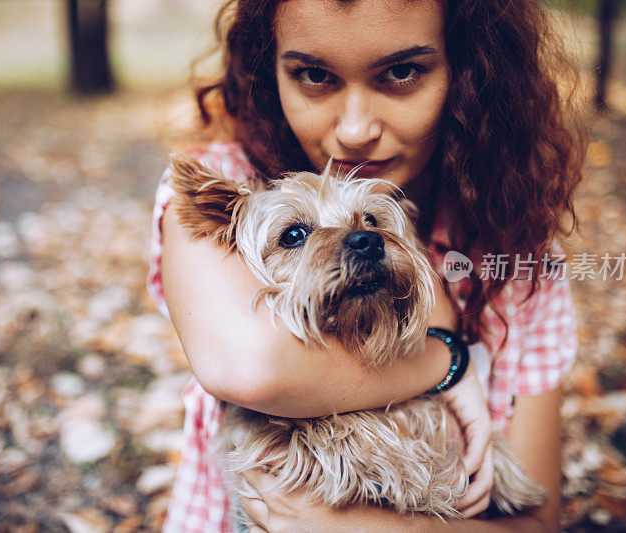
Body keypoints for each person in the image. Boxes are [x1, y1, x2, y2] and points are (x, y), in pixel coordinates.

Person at [147, 0, 586, 531]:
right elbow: (250, 368)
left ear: (470, 72)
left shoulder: (517, 261)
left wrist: (375, 527)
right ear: (271, 72)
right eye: (313, 74)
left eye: (401, 71)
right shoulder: (223, 192)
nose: (354, 132)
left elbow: (537, 522)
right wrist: (448, 363)